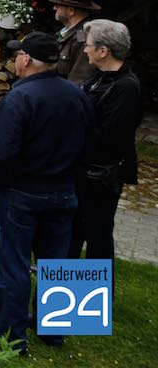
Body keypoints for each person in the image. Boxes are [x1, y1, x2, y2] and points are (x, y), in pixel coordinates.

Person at [0, 32, 95, 355]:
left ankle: (11, 336)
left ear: (27, 60)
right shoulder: (77, 95)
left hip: (20, 193)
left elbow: (0, 155)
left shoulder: (19, 98)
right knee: (59, 261)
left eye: (18, 55)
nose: (15, 60)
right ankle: (56, 330)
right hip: (64, 191)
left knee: (12, 265)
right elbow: (91, 143)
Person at [69, 19, 143, 262]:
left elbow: (111, 136)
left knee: (97, 235)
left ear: (104, 51)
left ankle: (93, 288)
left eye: (88, 45)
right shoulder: (99, 77)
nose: (85, 50)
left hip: (100, 176)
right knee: (72, 230)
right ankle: (62, 286)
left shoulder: (126, 87)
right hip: (83, 170)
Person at [48, 0, 99, 85]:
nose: (54, 8)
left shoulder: (83, 39)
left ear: (71, 11)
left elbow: (78, 81)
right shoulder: (65, 33)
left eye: (58, 5)